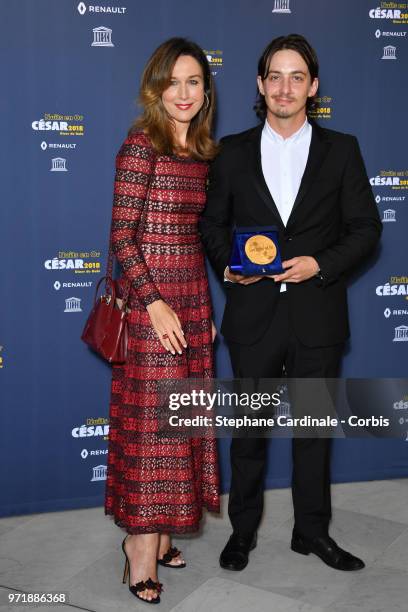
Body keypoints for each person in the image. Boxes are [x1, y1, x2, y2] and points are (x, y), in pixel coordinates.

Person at [199, 34, 382, 573]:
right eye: (274, 76)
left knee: (313, 434)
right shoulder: (230, 152)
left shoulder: (342, 149)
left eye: (296, 76)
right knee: (249, 435)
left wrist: (319, 264)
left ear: (313, 86)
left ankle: (312, 533)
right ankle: (242, 533)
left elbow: (366, 228)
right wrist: (228, 266)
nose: (284, 87)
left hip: (316, 314)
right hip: (253, 317)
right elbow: (212, 224)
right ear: (260, 85)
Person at [105, 38, 220, 604]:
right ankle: (139, 549)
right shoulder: (140, 145)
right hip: (154, 311)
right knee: (153, 435)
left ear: (206, 90)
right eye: (173, 82)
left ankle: (166, 529)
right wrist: (154, 302)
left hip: (192, 304)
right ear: (156, 88)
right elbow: (123, 239)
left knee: (183, 426)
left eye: (194, 81)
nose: (183, 93)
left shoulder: (202, 151)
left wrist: (205, 310)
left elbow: (195, 241)